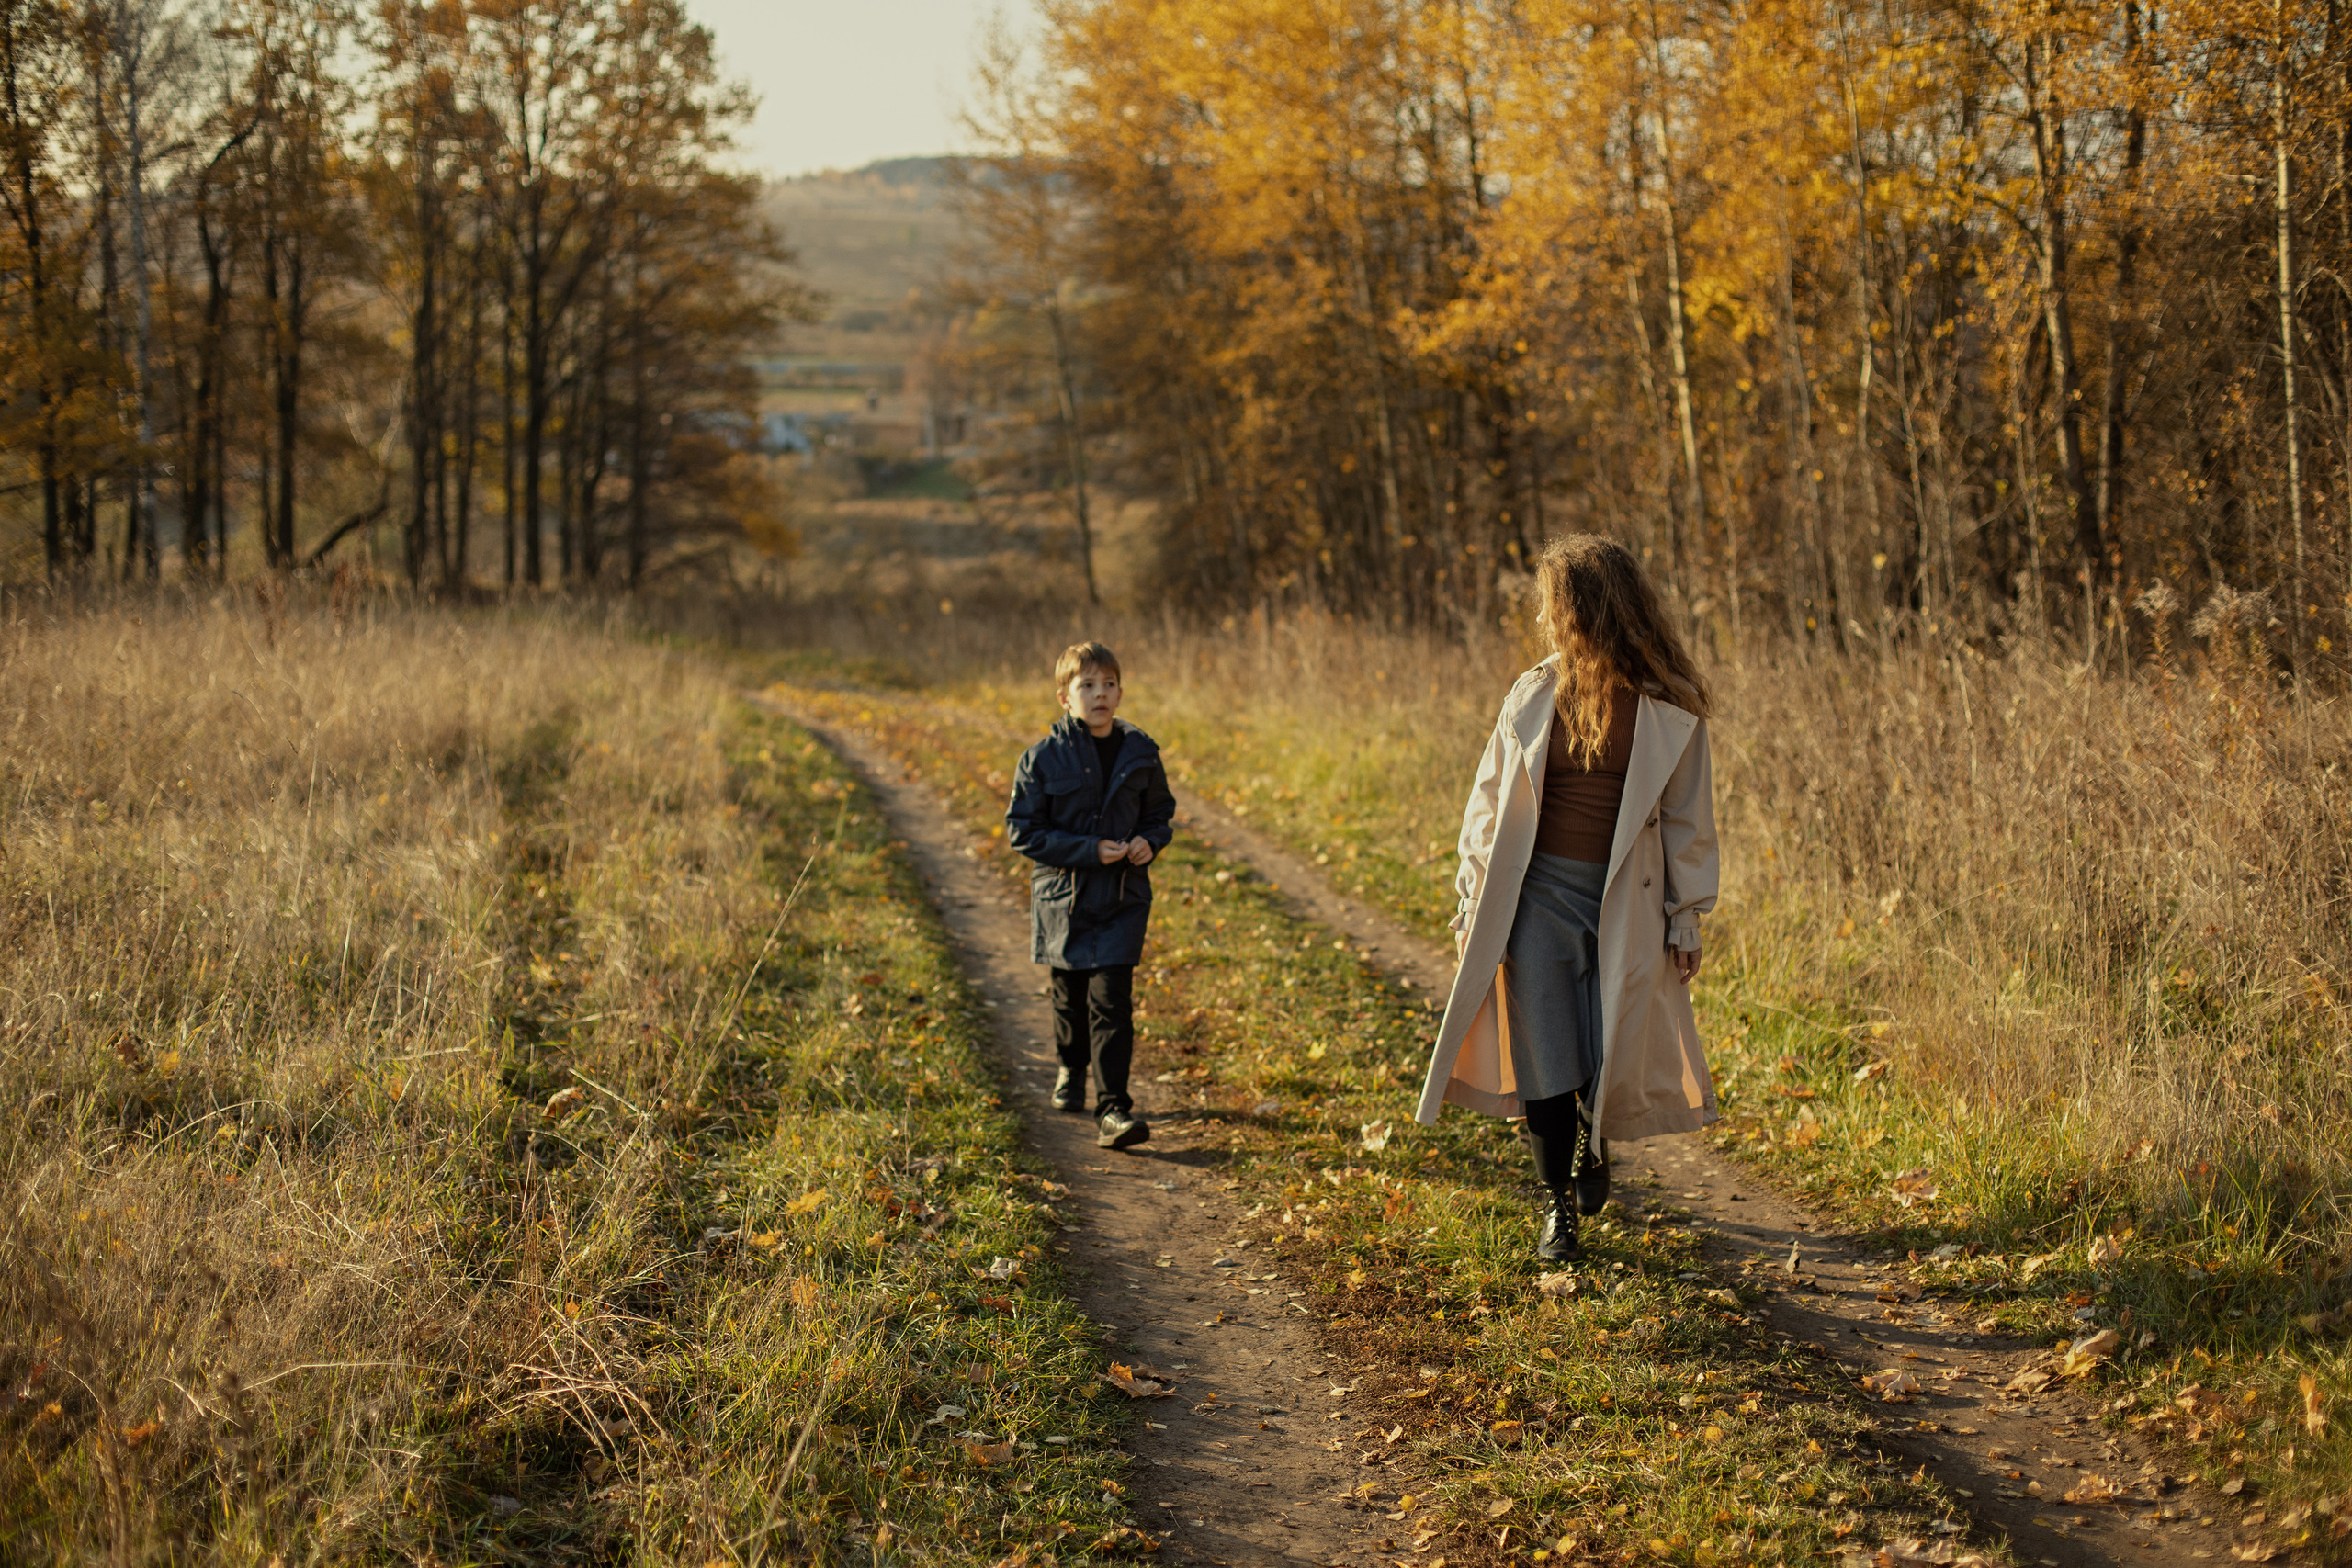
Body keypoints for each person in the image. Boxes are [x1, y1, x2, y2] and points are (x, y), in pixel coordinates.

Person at [1414, 536, 1721, 1263]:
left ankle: (1597, 1136)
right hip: (1532, 898)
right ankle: (1557, 1210)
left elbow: (1688, 820)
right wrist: (1469, 901)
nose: (1547, 619)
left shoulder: (1668, 705)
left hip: (1626, 901)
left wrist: (1686, 915)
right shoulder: (1531, 692)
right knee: (1548, 1052)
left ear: (1590, 608)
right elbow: (1487, 802)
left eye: (1556, 605)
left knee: (1608, 1048)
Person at [1005, 641, 1176, 1151]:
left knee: (1112, 1002)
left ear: (1120, 693)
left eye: (1108, 685)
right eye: (1087, 686)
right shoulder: (1041, 758)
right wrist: (1087, 850)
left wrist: (1151, 841)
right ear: (1065, 696)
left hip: (1122, 897)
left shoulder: (1141, 753)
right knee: (1069, 998)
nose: (1099, 694)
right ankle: (1070, 1066)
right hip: (1064, 899)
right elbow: (1023, 832)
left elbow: (1158, 814)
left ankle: (1114, 1110)